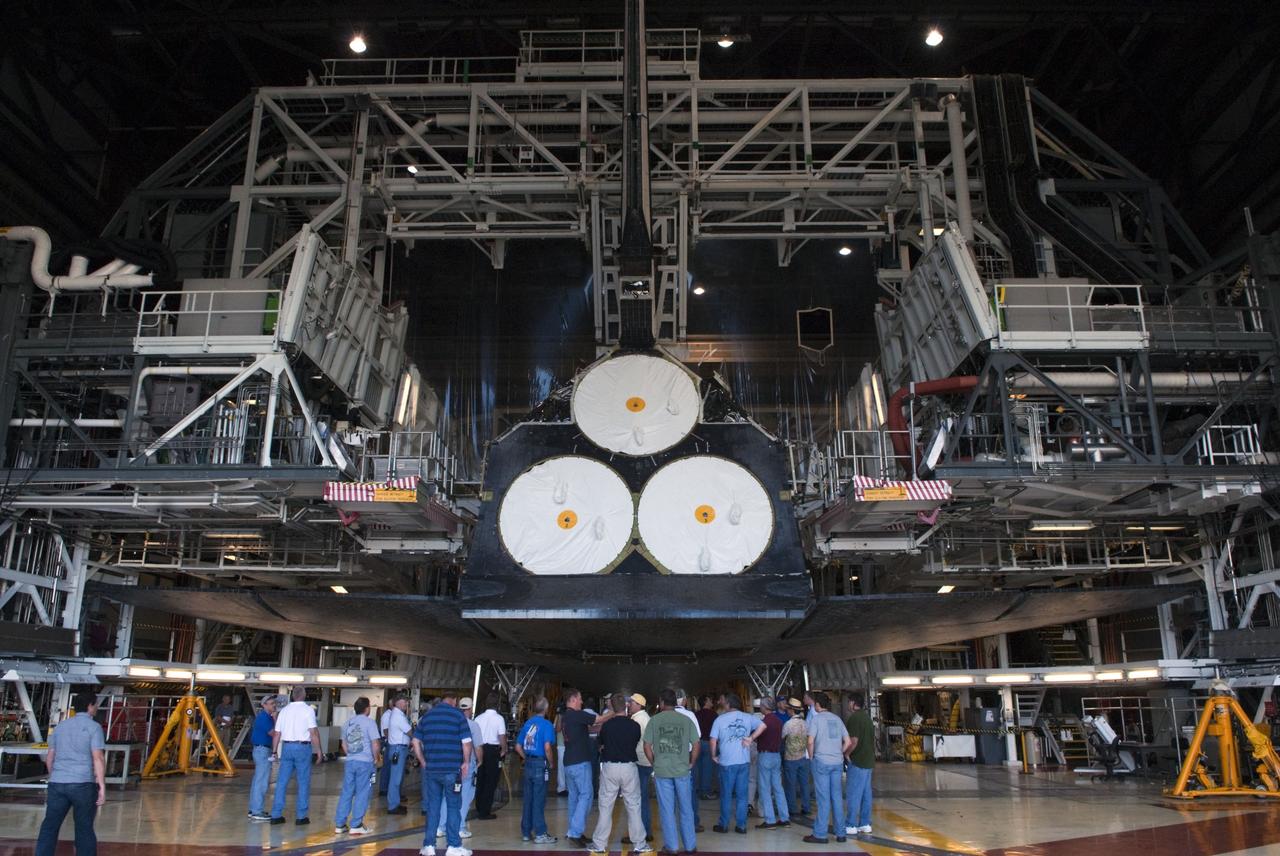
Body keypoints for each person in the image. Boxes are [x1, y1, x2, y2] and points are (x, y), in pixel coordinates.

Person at [35, 692, 105, 856]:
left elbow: (50, 757)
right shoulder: (94, 727)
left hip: (58, 783)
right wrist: (101, 785)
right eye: (95, 705)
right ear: (89, 706)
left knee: (50, 825)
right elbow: (98, 758)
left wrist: (55, 776)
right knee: (84, 827)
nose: (96, 708)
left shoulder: (60, 727)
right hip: (83, 784)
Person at [411, 690, 473, 856]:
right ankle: (453, 846)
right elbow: (466, 743)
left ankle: (429, 845)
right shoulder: (458, 716)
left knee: (433, 807)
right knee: (453, 806)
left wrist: (423, 761)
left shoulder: (428, 717)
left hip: (432, 770)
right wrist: (466, 762)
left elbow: (415, 741)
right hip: (452, 770)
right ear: (454, 700)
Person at [590, 693, 650, 855]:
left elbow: (600, 744)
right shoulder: (634, 726)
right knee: (634, 806)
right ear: (625, 706)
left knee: (605, 806)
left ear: (611, 707)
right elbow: (635, 741)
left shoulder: (607, 726)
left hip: (609, 767)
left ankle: (600, 844)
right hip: (629, 767)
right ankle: (639, 843)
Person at [644, 689, 700, 856]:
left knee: (667, 810)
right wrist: (691, 762)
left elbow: (646, 746)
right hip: (682, 770)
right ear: (675, 702)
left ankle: (672, 847)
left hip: (662, 771)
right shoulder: (685, 720)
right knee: (686, 808)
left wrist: (654, 763)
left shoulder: (654, 720)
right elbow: (696, 744)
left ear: (661, 702)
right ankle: (690, 846)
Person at [561, 687, 615, 846]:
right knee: (587, 795)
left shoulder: (566, 717)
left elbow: (592, 728)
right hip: (579, 763)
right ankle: (574, 832)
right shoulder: (577, 715)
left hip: (569, 762)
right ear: (572, 700)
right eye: (579, 698)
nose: (582, 701)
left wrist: (604, 725)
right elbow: (598, 720)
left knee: (574, 798)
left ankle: (575, 831)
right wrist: (614, 711)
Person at [710, 692, 764, 835]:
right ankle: (741, 825)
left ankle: (724, 824)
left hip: (727, 762)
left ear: (728, 704)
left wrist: (714, 755)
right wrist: (751, 738)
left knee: (726, 795)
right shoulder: (748, 717)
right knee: (742, 795)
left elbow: (713, 740)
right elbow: (763, 726)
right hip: (743, 762)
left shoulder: (720, 720)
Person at [802, 692, 851, 845]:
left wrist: (811, 756)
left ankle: (820, 834)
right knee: (836, 797)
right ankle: (841, 833)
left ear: (817, 705)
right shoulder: (837, 719)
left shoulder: (816, 719)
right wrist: (838, 752)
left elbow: (810, 741)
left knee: (823, 799)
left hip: (821, 761)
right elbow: (848, 742)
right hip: (837, 762)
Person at [271, 687, 323, 825]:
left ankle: (276, 815)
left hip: (287, 747)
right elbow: (313, 733)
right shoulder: (308, 710)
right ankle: (301, 817)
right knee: (303, 782)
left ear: (292, 696)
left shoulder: (284, 711)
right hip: (302, 748)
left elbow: (277, 734)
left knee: (282, 782)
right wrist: (319, 750)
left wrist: (274, 751)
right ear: (304, 695)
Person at [434, 698, 482, 841]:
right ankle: (459, 827)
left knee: (447, 796)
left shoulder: (450, 722)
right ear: (470, 709)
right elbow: (477, 747)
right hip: (467, 765)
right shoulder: (473, 725)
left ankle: (441, 827)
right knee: (465, 796)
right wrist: (480, 761)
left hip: (451, 763)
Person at [335, 697, 382, 835]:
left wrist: (351, 754)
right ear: (367, 709)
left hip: (350, 761)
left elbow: (343, 744)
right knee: (362, 792)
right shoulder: (370, 723)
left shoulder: (347, 723)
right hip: (365, 762)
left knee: (347, 792)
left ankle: (340, 824)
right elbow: (375, 743)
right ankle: (356, 824)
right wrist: (376, 758)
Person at [515, 696, 557, 844]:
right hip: (540, 764)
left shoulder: (527, 723)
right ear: (546, 709)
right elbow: (547, 747)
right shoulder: (547, 725)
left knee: (528, 799)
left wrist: (525, 758)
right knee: (539, 799)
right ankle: (540, 833)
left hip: (528, 764)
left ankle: (526, 832)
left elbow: (518, 746)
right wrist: (551, 762)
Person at [754, 697, 790, 829]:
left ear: (764, 707)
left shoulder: (765, 721)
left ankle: (770, 820)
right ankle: (785, 818)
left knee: (765, 788)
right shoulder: (779, 721)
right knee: (778, 788)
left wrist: (751, 738)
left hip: (765, 755)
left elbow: (758, 735)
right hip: (776, 756)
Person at [843, 692, 875, 836]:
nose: (848, 705)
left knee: (854, 793)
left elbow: (853, 741)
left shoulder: (854, 718)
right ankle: (865, 823)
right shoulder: (867, 718)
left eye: (849, 702)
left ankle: (850, 824)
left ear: (852, 703)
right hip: (868, 761)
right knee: (866, 794)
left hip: (858, 761)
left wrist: (846, 754)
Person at [673, 691, 704, 832]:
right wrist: (692, 760)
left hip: (671, 756)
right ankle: (693, 823)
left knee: (670, 791)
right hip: (687, 755)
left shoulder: (665, 715)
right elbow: (697, 737)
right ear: (684, 701)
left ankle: (672, 822)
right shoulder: (690, 715)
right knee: (690, 790)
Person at [473, 692, 507, 819]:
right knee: (491, 781)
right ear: (497, 704)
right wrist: (503, 750)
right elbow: (502, 736)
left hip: (480, 749)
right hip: (493, 751)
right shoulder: (499, 719)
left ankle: (478, 806)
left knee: (480, 779)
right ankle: (485, 811)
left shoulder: (478, 718)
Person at [626, 693, 654, 844]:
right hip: (645, 763)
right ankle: (645, 831)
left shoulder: (638, 720)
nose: (629, 704)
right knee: (641, 798)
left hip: (640, 764)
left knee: (637, 800)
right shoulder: (645, 718)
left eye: (631, 702)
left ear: (638, 704)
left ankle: (641, 832)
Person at [247, 694, 279, 821]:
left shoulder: (266, 717)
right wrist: (276, 719)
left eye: (274, 703)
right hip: (262, 750)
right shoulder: (265, 718)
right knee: (261, 781)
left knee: (258, 780)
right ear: (264, 705)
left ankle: (254, 808)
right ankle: (257, 811)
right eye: (271, 703)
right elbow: (274, 733)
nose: (274, 705)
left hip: (261, 749)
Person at [781, 697, 812, 818]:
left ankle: (792, 808)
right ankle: (806, 807)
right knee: (804, 784)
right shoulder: (805, 724)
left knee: (791, 785)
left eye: (789, 709)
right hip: (804, 757)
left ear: (792, 711)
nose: (788, 711)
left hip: (790, 758)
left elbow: (782, 738)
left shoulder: (788, 724)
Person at [383, 694, 413, 815]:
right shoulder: (398, 716)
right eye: (405, 702)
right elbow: (409, 731)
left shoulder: (398, 714)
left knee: (397, 778)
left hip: (398, 749)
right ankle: (393, 806)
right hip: (398, 749)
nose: (406, 704)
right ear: (398, 702)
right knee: (395, 779)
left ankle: (395, 803)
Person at [694, 696, 716, 800]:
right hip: (708, 743)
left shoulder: (696, 714)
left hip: (697, 743)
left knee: (697, 767)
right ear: (705, 702)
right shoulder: (714, 715)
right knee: (707, 768)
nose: (711, 701)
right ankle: (706, 791)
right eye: (710, 699)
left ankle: (696, 789)